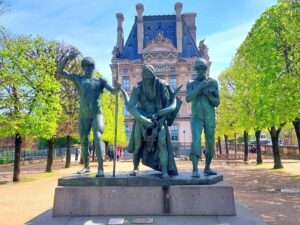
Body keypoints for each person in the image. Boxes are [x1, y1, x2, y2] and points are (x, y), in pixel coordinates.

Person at [57, 56, 120, 177]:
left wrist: (117, 86)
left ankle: (100, 168)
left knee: (97, 136)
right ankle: (86, 167)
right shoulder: (78, 79)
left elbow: (114, 92)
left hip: (97, 114)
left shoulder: (100, 81)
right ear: (83, 68)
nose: (87, 68)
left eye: (89, 66)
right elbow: (60, 72)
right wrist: (66, 58)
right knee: (84, 141)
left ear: (93, 67)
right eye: (84, 66)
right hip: (83, 115)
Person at [120, 65, 181, 178]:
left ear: (154, 77)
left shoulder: (162, 85)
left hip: (158, 118)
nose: (147, 80)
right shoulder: (137, 88)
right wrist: (143, 119)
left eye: (150, 78)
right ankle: (135, 167)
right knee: (138, 145)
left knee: (162, 144)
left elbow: (168, 104)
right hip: (142, 118)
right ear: (142, 77)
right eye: (145, 78)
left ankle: (164, 170)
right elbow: (130, 107)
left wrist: (161, 120)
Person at [186, 58, 220, 177]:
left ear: (206, 69)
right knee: (196, 140)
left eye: (203, 69)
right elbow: (188, 98)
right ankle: (195, 169)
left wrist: (210, 95)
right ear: (195, 69)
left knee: (210, 141)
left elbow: (217, 102)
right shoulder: (190, 83)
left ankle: (207, 168)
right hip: (196, 116)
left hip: (209, 116)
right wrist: (200, 87)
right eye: (198, 68)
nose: (201, 71)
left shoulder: (213, 82)